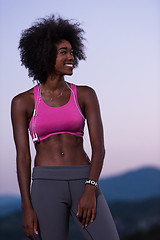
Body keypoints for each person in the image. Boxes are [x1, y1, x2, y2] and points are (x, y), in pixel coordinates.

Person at [11, 15, 119, 240]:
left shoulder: (85, 94)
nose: (71, 57)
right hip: (45, 184)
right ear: (45, 55)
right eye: (64, 52)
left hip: (84, 178)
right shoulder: (23, 102)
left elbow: (99, 147)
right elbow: (23, 156)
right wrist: (26, 206)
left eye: (72, 51)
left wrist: (90, 187)